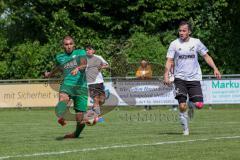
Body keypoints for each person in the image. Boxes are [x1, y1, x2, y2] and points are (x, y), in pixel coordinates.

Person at [164, 21, 221, 135]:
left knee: (199, 105)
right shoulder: (174, 44)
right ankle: (185, 129)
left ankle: (191, 104)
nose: (181, 33)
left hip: (194, 78)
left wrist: (215, 68)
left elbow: (206, 56)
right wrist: (166, 75)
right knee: (181, 104)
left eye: (184, 30)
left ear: (189, 31)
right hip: (179, 78)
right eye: (180, 30)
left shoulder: (196, 42)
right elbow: (169, 60)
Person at [44, 36, 88, 138]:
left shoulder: (80, 52)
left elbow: (84, 64)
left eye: (70, 44)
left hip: (81, 86)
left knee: (80, 120)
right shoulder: (60, 57)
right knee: (63, 98)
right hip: (67, 84)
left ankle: (76, 134)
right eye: (66, 44)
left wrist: (77, 68)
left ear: (74, 44)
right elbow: (58, 68)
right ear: (63, 45)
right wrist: (50, 74)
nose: (68, 46)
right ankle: (62, 116)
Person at [72, 45, 109, 117]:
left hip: (100, 82)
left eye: (90, 49)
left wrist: (101, 66)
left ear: (93, 51)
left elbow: (107, 65)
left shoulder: (98, 57)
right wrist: (77, 68)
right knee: (96, 99)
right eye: (86, 50)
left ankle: (92, 110)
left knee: (102, 100)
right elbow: (80, 65)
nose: (88, 51)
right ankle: (97, 116)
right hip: (90, 82)